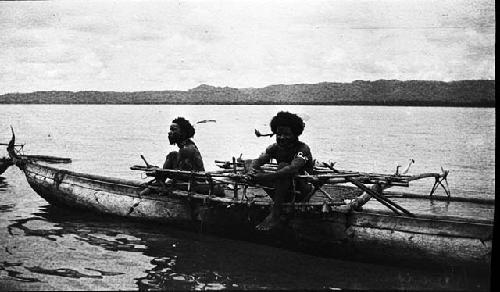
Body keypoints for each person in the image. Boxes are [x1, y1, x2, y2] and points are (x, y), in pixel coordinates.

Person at [247, 111, 313, 231]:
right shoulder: (275, 148)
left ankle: (275, 214)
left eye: (287, 134)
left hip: (300, 190)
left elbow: (292, 169)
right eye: (279, 134)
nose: (282, 137)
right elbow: (257, 161)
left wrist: (265, 177)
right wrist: (252, 170)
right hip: (281, 190)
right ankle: (276, 208)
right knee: (248, 165)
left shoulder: (302, 149)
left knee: (283, 167)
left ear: (296, 134)